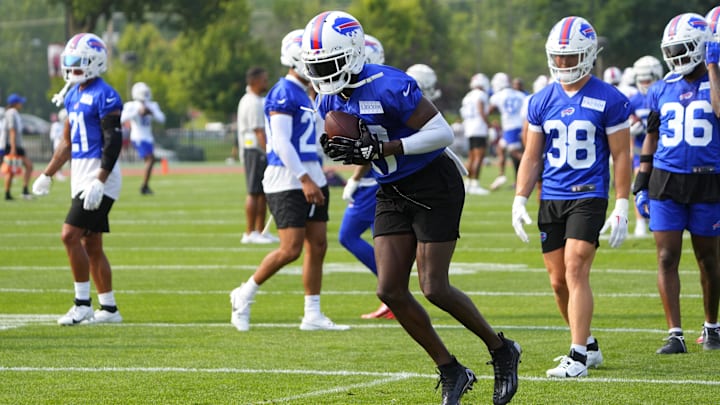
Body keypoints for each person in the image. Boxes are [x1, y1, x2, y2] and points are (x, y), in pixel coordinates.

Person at [304, 11, 520, 405]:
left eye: (328, 64)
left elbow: (442, 133)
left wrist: (384, 148)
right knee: (389, 289)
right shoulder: (328, 98)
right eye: (315, 66)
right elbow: (357, 143)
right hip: (392, 188)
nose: (322, 74)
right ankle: (451, 369)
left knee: (434, 286)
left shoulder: (390, 83)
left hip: (434, 182)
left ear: (352, 54)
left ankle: (501, 349)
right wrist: (349, 153)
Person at [512, 16, 632, 378]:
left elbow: (622, 155)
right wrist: (520, 197)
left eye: (571, 57)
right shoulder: (541, 100)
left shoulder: (609, 98)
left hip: (588, 194)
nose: (563, 63)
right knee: (557, 280)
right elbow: (532, 156)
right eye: (558, 57)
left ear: (589, 55)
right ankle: (588, 343)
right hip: (552, 195)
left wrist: (622, 204)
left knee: (576, 266)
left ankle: (577, 356)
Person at [229, 29, 349, 332]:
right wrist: (305, 179)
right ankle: (244, 294)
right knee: (290, 248)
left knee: (318, 245)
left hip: (312, 173)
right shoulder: (283, 91)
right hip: (288, 177)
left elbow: (320, 135)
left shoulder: (309, 92)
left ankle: (312, 313)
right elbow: (280, 143)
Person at [633, 12, 720, 354]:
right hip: (666, 181)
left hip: (708, 181)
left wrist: (713, 66)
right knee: (666, 256)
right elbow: (650, 138)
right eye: (672, 50)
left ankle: (712, 326)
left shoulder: (716, 79)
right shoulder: (660, 88)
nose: (677, 58)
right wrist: (641, 182)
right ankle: (675, 334)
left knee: (709, 259)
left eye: (684, 49)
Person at [31, 32, 124, 325]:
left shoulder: (106, 94)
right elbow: (67, 142)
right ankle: (109, 309)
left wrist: (100, 179)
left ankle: (82, 304)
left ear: (95, 62)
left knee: (69, 235)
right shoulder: (72, 93)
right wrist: (47, 173)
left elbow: (113, 142)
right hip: (80, 174)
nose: (71, 68)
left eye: (77, 62)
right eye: (68, 62)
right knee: (91, 244)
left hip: (99, 175)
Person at [340, 33, 391, 320]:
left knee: (347, 235)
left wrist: (355, 178)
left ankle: (391, 288)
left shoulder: (371, 92)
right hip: (382, 177)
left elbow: (368, 148)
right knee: (380, 238)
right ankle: (390, 293)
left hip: (374, 179)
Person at [236, 66, 276, 244]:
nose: (266, 83)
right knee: (254, 192)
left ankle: (260, 231)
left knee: (262, 192)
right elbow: (259, 131)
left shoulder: (257, 100)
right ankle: (250, 231)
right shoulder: (251, 102)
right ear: (254, 81)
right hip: (254, 150)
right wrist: (270, 151)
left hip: (257, 150)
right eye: (264, 79)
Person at [627, 55, 663, 237]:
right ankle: (640, 222)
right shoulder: (633, 101)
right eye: (641, 80)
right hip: (642, 151)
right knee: (639, 184)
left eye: (647, 79)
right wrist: (632, 128)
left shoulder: (665, 93)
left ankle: (655, 218)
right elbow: (626, 125)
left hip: (663, 151)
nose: (644, 83)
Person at [120, 82, 165, 195]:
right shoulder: (131, 105)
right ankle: (144, 186)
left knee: (150, 161)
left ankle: (145, 186)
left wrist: (151, 112)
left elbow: (162, 119)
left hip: (148, 137)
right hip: (138, 137)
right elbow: (122, 118)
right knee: (151, 160)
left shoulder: (152, 105)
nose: (146, 95)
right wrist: (137, 112)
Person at [489, 72, 526, 191]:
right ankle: (501, 175)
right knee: (500, 147)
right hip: (518, 126)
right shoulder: (520, 95)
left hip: (511, 127)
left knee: (515, 153)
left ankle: (537, 170)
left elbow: (489, 110)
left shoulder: (497, 96)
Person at [460, 73, 492, 195]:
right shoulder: (481, 95)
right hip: (479, 128)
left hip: (469, 128)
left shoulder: (467, 96)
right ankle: (475, 183)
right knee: (479, 157)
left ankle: (468, 182)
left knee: (472, 157)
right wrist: (488, 124)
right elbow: (480, 109)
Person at [3, 93, 33, 200]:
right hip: (13, 145)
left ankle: (13, 192)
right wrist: (13, 148)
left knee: (22, 167)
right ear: (15, 103)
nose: (21, 104)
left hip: (15, 145)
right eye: (20, 102)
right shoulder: (11, 113)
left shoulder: (14, 113)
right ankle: (15, 192)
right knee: (14, 169)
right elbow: (12, 130)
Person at [48, 108, 68, 181]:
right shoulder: (56, 125)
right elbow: (52, 136)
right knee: (58, 160)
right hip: (57, 144)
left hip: (65, 144)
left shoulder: (65, 125)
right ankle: (57, 173)